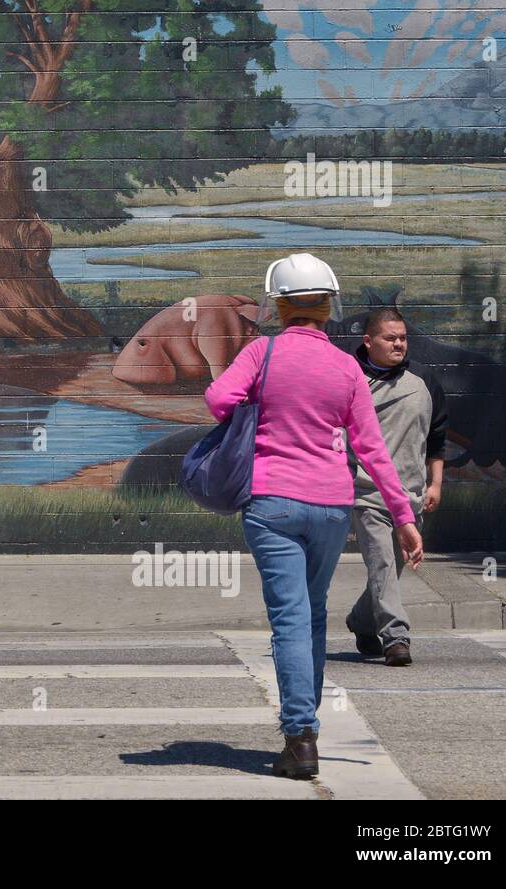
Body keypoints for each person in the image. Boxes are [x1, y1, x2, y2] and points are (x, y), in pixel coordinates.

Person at [205, 254, 423, 780]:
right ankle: (308, 730)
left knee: (289, 620)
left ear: (278, 306)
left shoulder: (263, 352)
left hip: (272, 503)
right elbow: (372, 450)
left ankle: (300, 737)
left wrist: (257, 406)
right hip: (330, 506)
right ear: (328, 307)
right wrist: (403, 516)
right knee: (314, 614)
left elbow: (217, 400)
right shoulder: (348, 366)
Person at [344, 307, 447, 667]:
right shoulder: (349, 377)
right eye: (390, 338)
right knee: (383, 564)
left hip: (411, 495)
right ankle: (396, 638)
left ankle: (360, 619)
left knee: (389, 570)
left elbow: (436, 437)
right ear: (368, 341)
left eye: (402, 337)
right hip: (367, 492)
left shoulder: (423, 380)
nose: (399, 343)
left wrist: (435, 482)